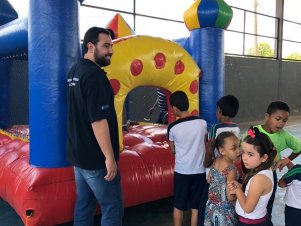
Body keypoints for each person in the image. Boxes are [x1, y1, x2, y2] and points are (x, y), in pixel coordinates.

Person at [67, 27, 123, 226]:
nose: (111, 51)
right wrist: (109, 157)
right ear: (91, 46)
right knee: (112, 207)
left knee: (84, 204)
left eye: (111, 46)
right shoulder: (95, 76)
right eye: (106, 46)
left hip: (79, 155)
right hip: (96, 158)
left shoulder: (75, 70)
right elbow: (98, 120)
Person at [254, 101, 301, 225]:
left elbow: (299, 147)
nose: (281, 123)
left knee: (267, 204)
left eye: (284, 121)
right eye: (278, 118)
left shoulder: (284, 135)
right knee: (252, 203)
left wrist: (287, 159)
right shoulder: (253, 131)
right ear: (267, 116)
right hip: (252, 175)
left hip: (270, 176)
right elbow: (243, 149)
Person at [167, 91, 207, 226]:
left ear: (175, 108)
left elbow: (173, 150)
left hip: (182, 171)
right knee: (195, 207)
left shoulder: (172, 127)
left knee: (178, 206)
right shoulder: (202, 122)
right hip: (200, 171)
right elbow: (205, 142)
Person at [200, 94, 240, 226]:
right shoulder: (237, 128)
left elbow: (210, 148)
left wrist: (206, 163)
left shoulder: (215, 128)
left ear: (219, 111)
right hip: (228, 170)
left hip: (216, 170)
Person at [228, 126, 277, 226]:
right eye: (243, 152)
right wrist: (241, 187)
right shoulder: (265, 170)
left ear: (264, 157)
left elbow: (248, 208)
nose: (244, 158)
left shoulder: (259, 179)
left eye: (250, 154)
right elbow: (255, 192)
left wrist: (238, 190)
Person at [204, 131, 240, 226]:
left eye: (239, 146)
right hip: (224, 212)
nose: (238, 151)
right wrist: (242, 191)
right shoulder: (231, 169)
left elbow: (209, 180)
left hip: (211, 207)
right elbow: (230, 196)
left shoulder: (216, 161)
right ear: (222, 151)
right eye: (234, 148)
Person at [278, 159, 301, 226]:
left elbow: (281, 184)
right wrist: (289, 163)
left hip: (294, 210)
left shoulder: (297, 170)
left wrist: (287, 174)